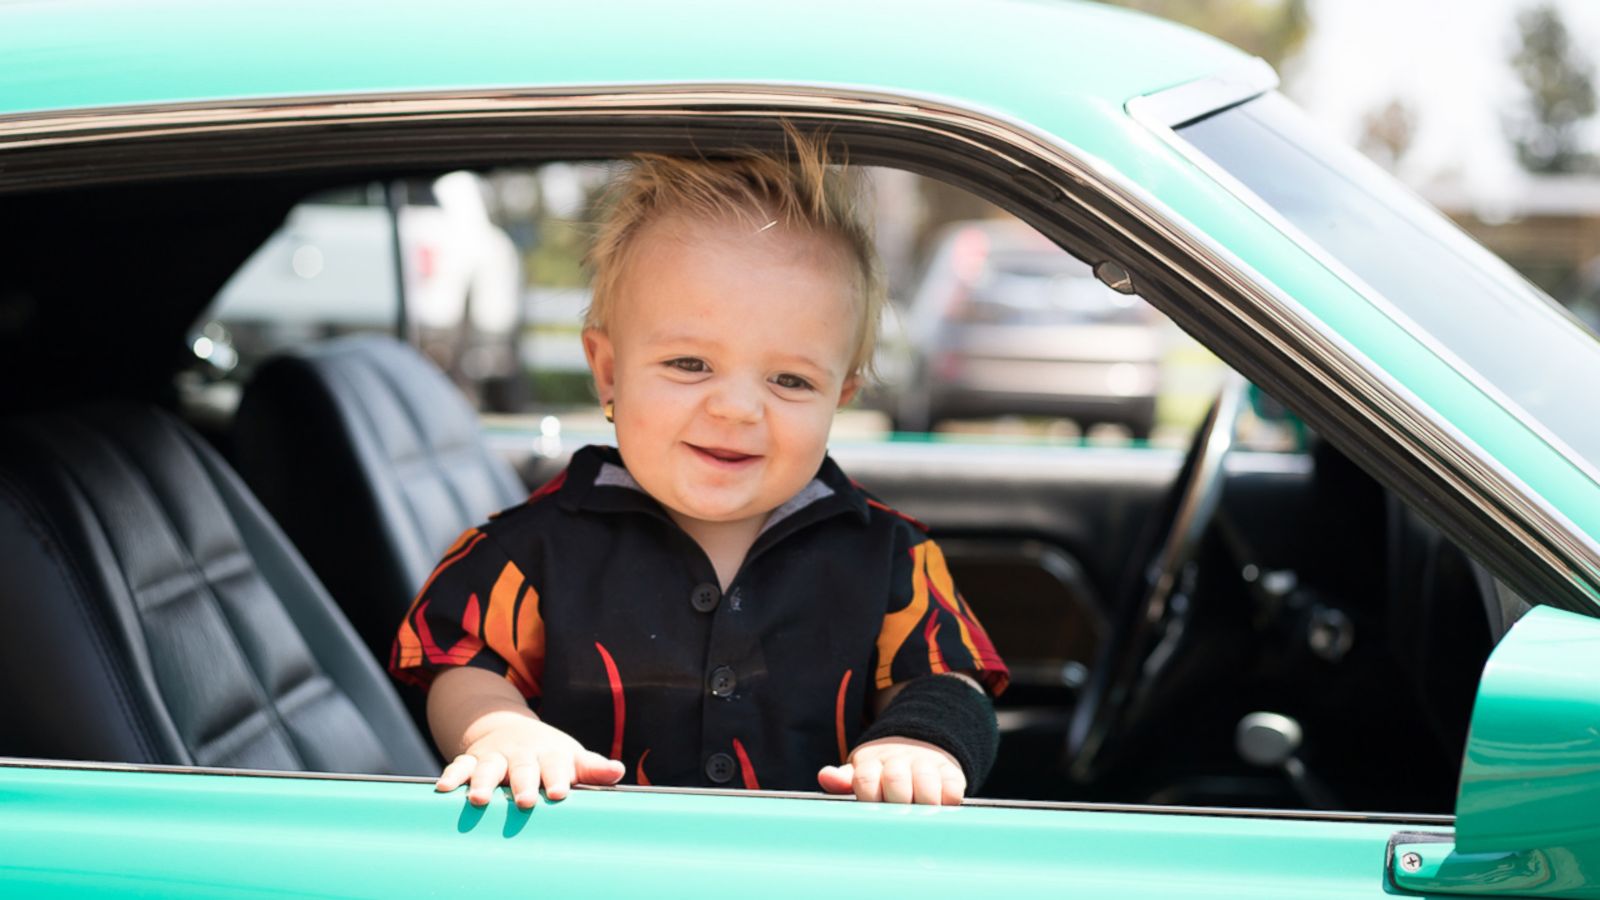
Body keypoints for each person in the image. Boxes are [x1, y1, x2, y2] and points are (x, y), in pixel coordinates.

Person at [389, 130, 1009, 809]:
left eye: (790, 380)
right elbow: (461, 663)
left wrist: (920, 741)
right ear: (608, 370)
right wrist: (501, 729)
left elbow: (951, 679)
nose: (738, 408)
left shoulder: (891, 557)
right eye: (690, 364)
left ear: (842, 396)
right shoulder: (527, 550)